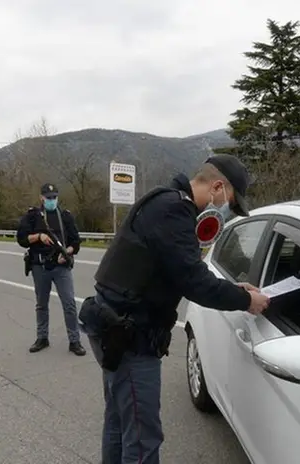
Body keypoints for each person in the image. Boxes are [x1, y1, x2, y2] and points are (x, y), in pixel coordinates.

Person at [78, 154, 271, 464]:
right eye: (231, 203)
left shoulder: (163, 200)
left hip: (112, 327)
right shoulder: (174, 212)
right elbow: (195, 282)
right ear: (218, 187)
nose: (228, 212)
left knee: (119, 422)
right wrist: (247, 300)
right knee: (142, 440)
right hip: (130, 339)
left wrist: (235, 290)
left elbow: (180, 270)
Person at [16, 182, 87, 356]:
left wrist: (68, 252)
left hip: (61, 267)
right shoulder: (33, 216)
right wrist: (38, 236)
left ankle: (74, 341)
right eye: (48, 198)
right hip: (40, 266)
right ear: (41, 198)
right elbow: (21, 239)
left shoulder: (65, 216)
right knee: (41, 305)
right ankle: (42, 338)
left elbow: (76, 242)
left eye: (54, 197)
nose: (51, 200)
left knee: (69, 304)